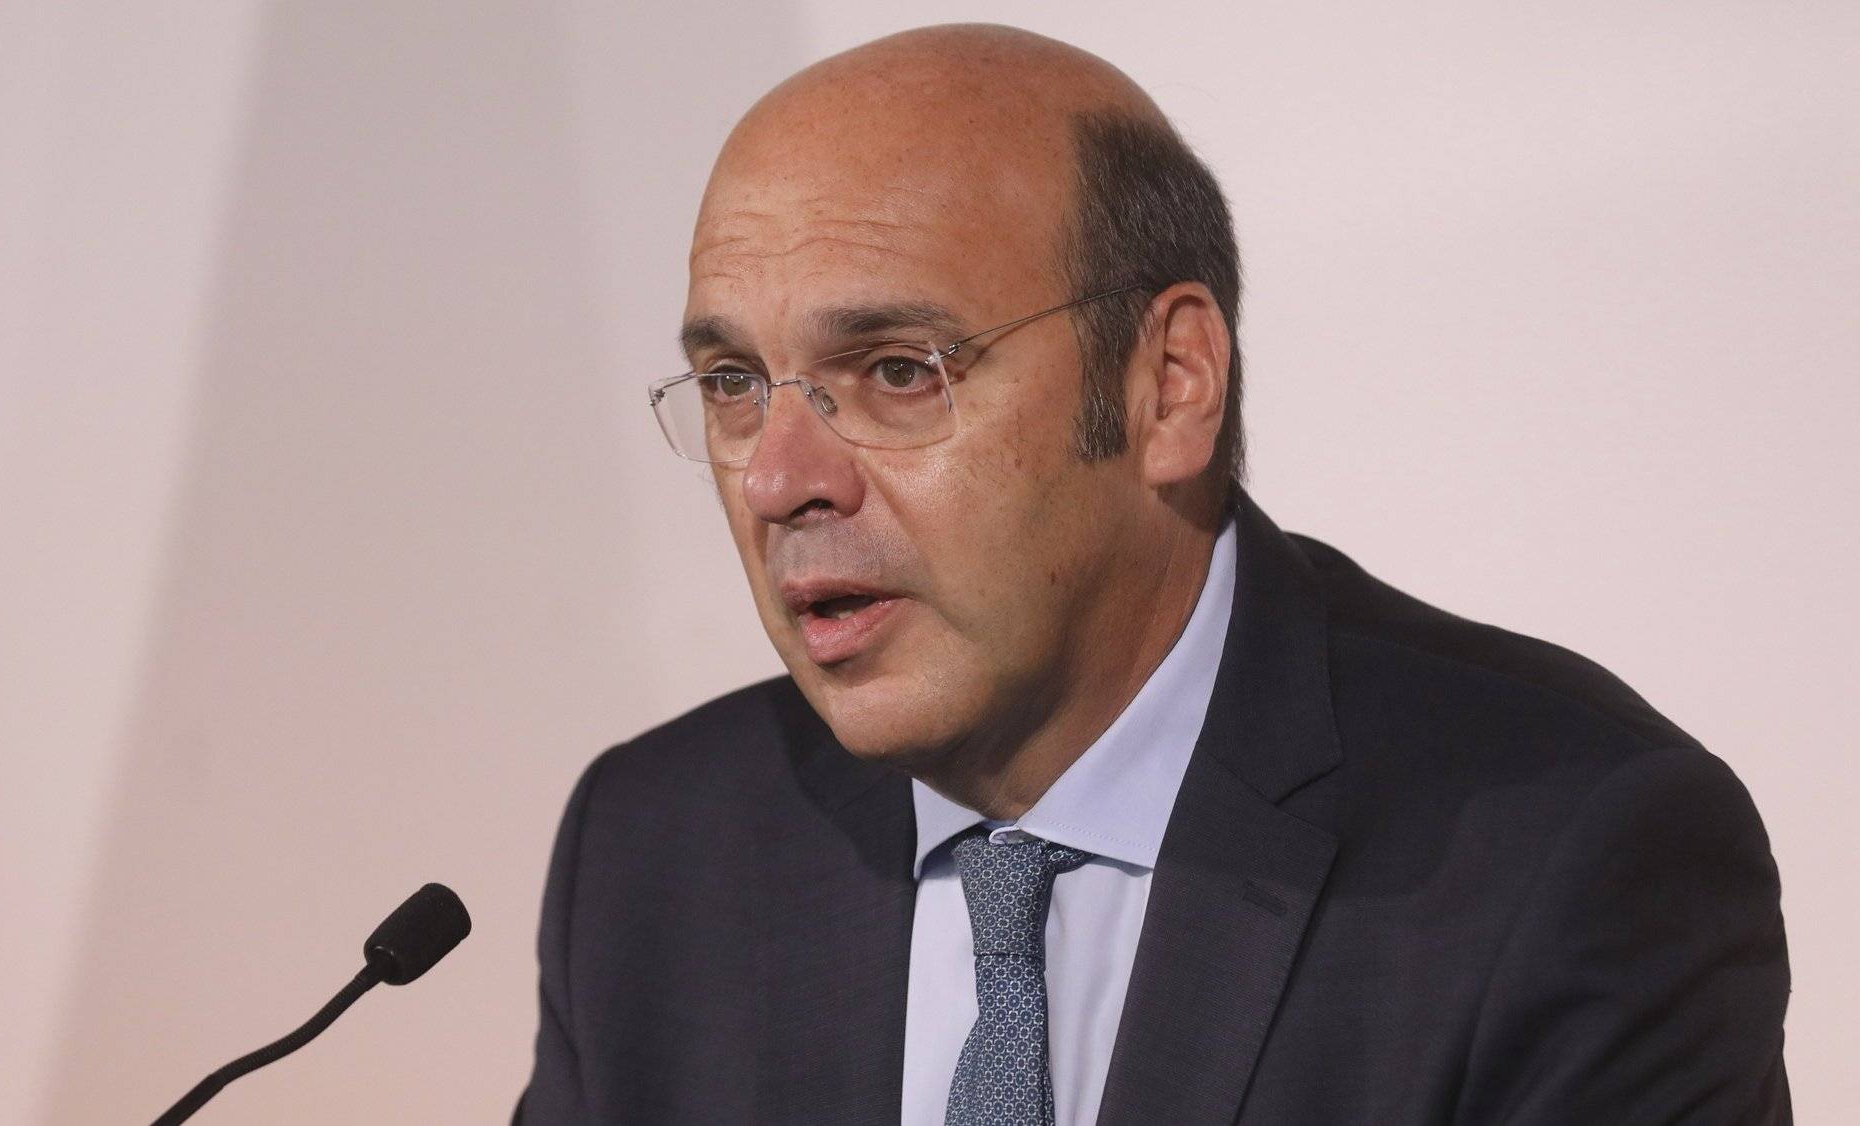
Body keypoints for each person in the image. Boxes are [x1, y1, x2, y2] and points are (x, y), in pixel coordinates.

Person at [515, 23, 1788, 1126]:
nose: (776, 478)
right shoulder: (653, 851)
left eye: (897, 370)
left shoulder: (1564, 855)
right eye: (733, 383)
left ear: (1167, 385)